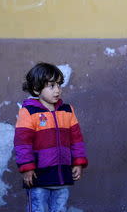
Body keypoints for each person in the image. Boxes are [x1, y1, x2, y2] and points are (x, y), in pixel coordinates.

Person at [14, 62, 88, 212]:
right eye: (51, 86)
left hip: (62, 175)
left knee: (60, 209)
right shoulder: (28, 111)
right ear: (36, 89)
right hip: (38, 177)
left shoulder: (67, 111)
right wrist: (27, 168)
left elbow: (77, 139)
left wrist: (78, 163)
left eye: (59, 85)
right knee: (38, 209)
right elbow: (22, 143)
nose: (57, 90)